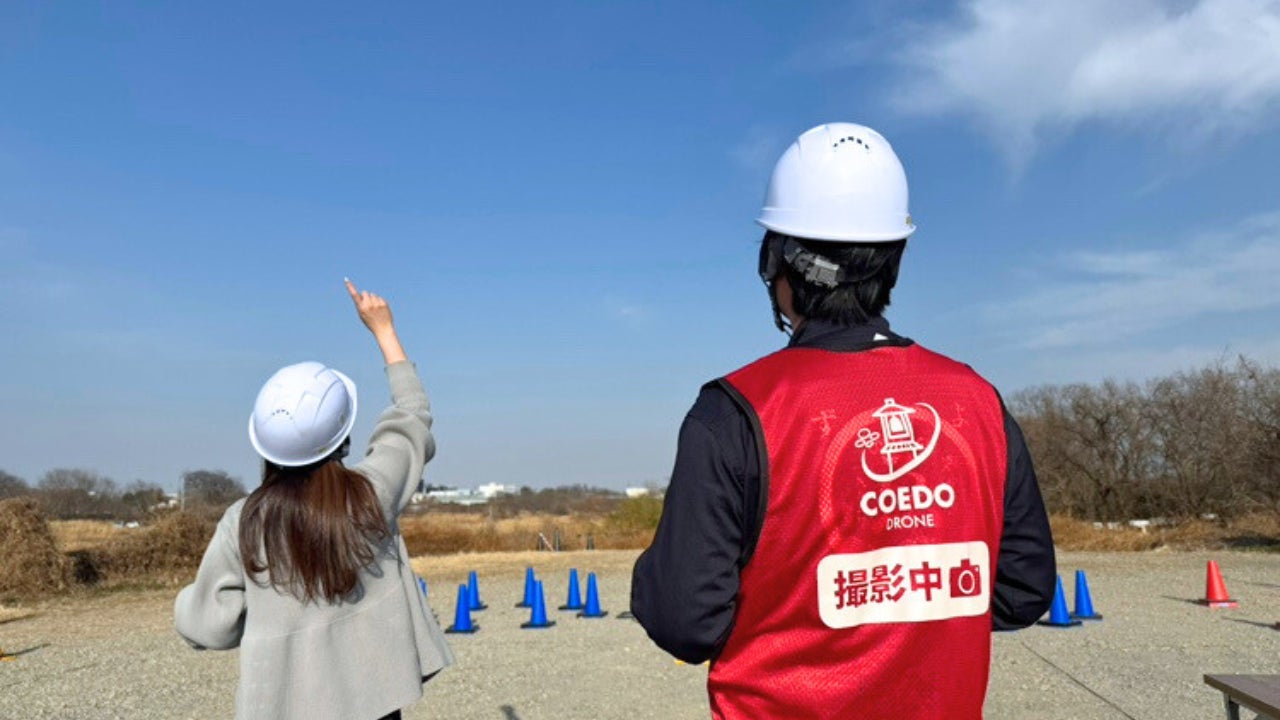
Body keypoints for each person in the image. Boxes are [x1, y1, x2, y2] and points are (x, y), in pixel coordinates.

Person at [631, 123, 1056, 719]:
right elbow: (1022, 590)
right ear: (893, 260)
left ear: (777, 261)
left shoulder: (734, 412)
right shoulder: (977, 400)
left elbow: (685, 620)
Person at [175, 279, 453, 720]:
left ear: (264, 442)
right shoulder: (372, 495)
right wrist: (384, 330)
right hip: (376, 706)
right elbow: (412, 415)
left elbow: (209, 626)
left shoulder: (243, 522)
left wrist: (193, 604)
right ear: (342, 435)